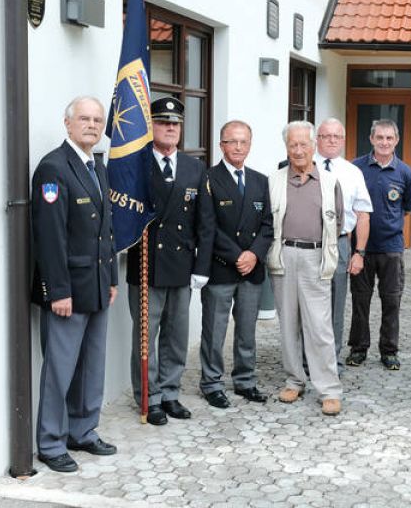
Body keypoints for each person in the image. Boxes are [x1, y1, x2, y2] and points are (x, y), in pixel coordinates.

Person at [31, 96, 118, 472]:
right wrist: (58, 291)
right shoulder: (53, 167)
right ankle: (51, 443)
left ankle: (82, 431)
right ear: (67, 124)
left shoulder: (96, 166)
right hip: (68, 291)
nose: (92, 125)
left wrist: (112, 278)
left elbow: (106, 230)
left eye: (98, 120)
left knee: (91, 367)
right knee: (60, 369)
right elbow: (49, 238)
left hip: (97, 286)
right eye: (84, 118)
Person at [126, 96, 211, 426]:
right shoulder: (135, 164)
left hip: (181, 267)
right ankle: (149, 395)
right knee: (146, 336)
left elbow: (205, 222)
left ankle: (171, 392)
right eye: (163, 123)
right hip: (146, 265)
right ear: (153, 127)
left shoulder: (193, 167)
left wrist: (201, 267)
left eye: (175, 124)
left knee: (176, 336)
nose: (170, 129)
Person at [267, 120, 344, 416]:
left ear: (314, 147)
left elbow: (336, 221)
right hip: (284, 255)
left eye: (303, 144)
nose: (298, 150)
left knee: (320, 327)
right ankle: (294, 380)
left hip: (314, 257)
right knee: (288, 324)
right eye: (292, 145)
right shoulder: (274, 180)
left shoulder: (328, 181)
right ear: (286, 148)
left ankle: (329, 389)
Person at [198, 120, 274, 407]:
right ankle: (211, 383)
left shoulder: (259, 180)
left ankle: (245, 381)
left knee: (246, 331)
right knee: (214, 331)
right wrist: (237, 255)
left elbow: (268, 225)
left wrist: (253, 254)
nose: (238, 147)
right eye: (232, 141)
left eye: (243, 142)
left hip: (251, 270)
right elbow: (208, 227)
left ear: (250, 145)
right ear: (221, 145)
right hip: (221, 267)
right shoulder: (208, 179)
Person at [347, 119, 411, 370]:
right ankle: (358, 348)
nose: (384, 142)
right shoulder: (356, 168)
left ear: (396, 140)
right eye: (380, 138)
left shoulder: (405, 173)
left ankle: (389, 350)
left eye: (389, 138)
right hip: (361, 248)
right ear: (371, 139)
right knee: (360, 301)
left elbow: (406, 208)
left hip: (391, 249)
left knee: (391, 301)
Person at [314, 118, 372, 373]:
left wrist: (359, 252)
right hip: (308, 242)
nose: (331, 140)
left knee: (336, 302)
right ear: (317, 138)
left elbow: (362, 214)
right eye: (326, 136)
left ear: (343, 140)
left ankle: (332, 357)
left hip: (340, 242)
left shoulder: (352, 172)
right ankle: (308, 357)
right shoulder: (304, 166)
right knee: (308, 301)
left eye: (337, 136)